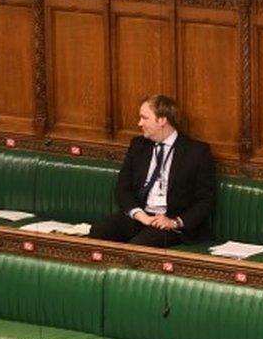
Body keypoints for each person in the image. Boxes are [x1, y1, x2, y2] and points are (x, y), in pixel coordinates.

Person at [89, 94, 215, 248]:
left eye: (144, 118)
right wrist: (140, 215)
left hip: (171, 223)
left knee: (141, 245)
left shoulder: (196, 152)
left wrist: (175, 222)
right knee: (100, 231)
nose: (139, 123)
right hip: (142, 216)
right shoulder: (138, 145)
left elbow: (205, 201)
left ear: (162, 120)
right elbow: (123, 189)